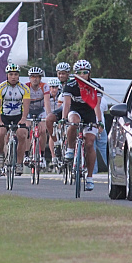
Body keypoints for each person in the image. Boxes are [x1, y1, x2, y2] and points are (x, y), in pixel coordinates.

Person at [62, 60, 104, 191]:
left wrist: (99, 121)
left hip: (89, 114)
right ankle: (70, 149)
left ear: (89, 73)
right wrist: (63, 118)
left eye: (84, 72)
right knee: (73, 122)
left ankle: (90, 177)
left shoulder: (95, 86)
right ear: (74, 74)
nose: (82, 75)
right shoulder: (70, 85)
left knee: (90, 143)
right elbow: (67, 104)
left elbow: (97, 106)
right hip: (75, 111)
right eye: (78, 73)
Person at [0, 63, 31, 176]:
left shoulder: (24, 88)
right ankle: (1, 154)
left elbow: (26, 106)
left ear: (19, 75)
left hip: (18, 115)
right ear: (7, 75)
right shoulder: (0, 88)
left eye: (15, 74)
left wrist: (24, 118)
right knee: (1, 133)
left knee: (22, 134)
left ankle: (19, 164)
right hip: (4, 115)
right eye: (11, 74)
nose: (13, 77)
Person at [26, 66, 51, 168]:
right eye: (32, 76)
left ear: (40, 78)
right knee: (27, 130)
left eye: (37, 76)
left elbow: (47, 103)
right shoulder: (26, 87)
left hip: (40, 110)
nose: (35, 79)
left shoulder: (44, 86)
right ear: (29, 78)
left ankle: (43, 155)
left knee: (42, 130)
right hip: (29, 110)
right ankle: (26, 154)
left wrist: (48, 117)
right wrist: (25, 119)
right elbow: (24, 104)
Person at [46, 62, 71, 163]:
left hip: (71, 109)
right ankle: (56, 143)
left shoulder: (71, 83)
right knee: (49, 119)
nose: (61, 76)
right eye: (59, 73)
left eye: (63, 73)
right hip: (62, 108)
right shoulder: (58, 84)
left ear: (68, 74)